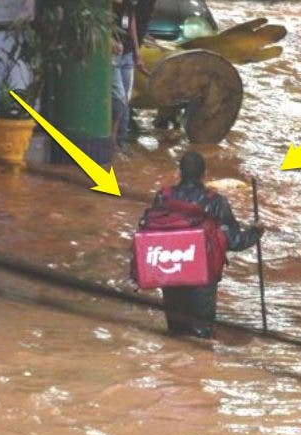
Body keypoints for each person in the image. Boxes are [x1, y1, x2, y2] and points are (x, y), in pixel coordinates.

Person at [151, 151, 264, 338]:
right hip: (202, 276)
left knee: (175, 334)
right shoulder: (216, 202)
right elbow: (234, 241)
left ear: (179, 173)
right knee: (200, 338)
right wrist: (256, 232)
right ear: (204, 175)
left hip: (170, 271)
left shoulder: (164, 197)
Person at [111, 0, 150, 150]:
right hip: (112, 54)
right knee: (119, 98)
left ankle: (122, 139)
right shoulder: (105, 5)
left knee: (125, 99)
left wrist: (137, 51)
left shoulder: (129, 4)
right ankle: (113, 141)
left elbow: (131, 20)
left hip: (127, 54)